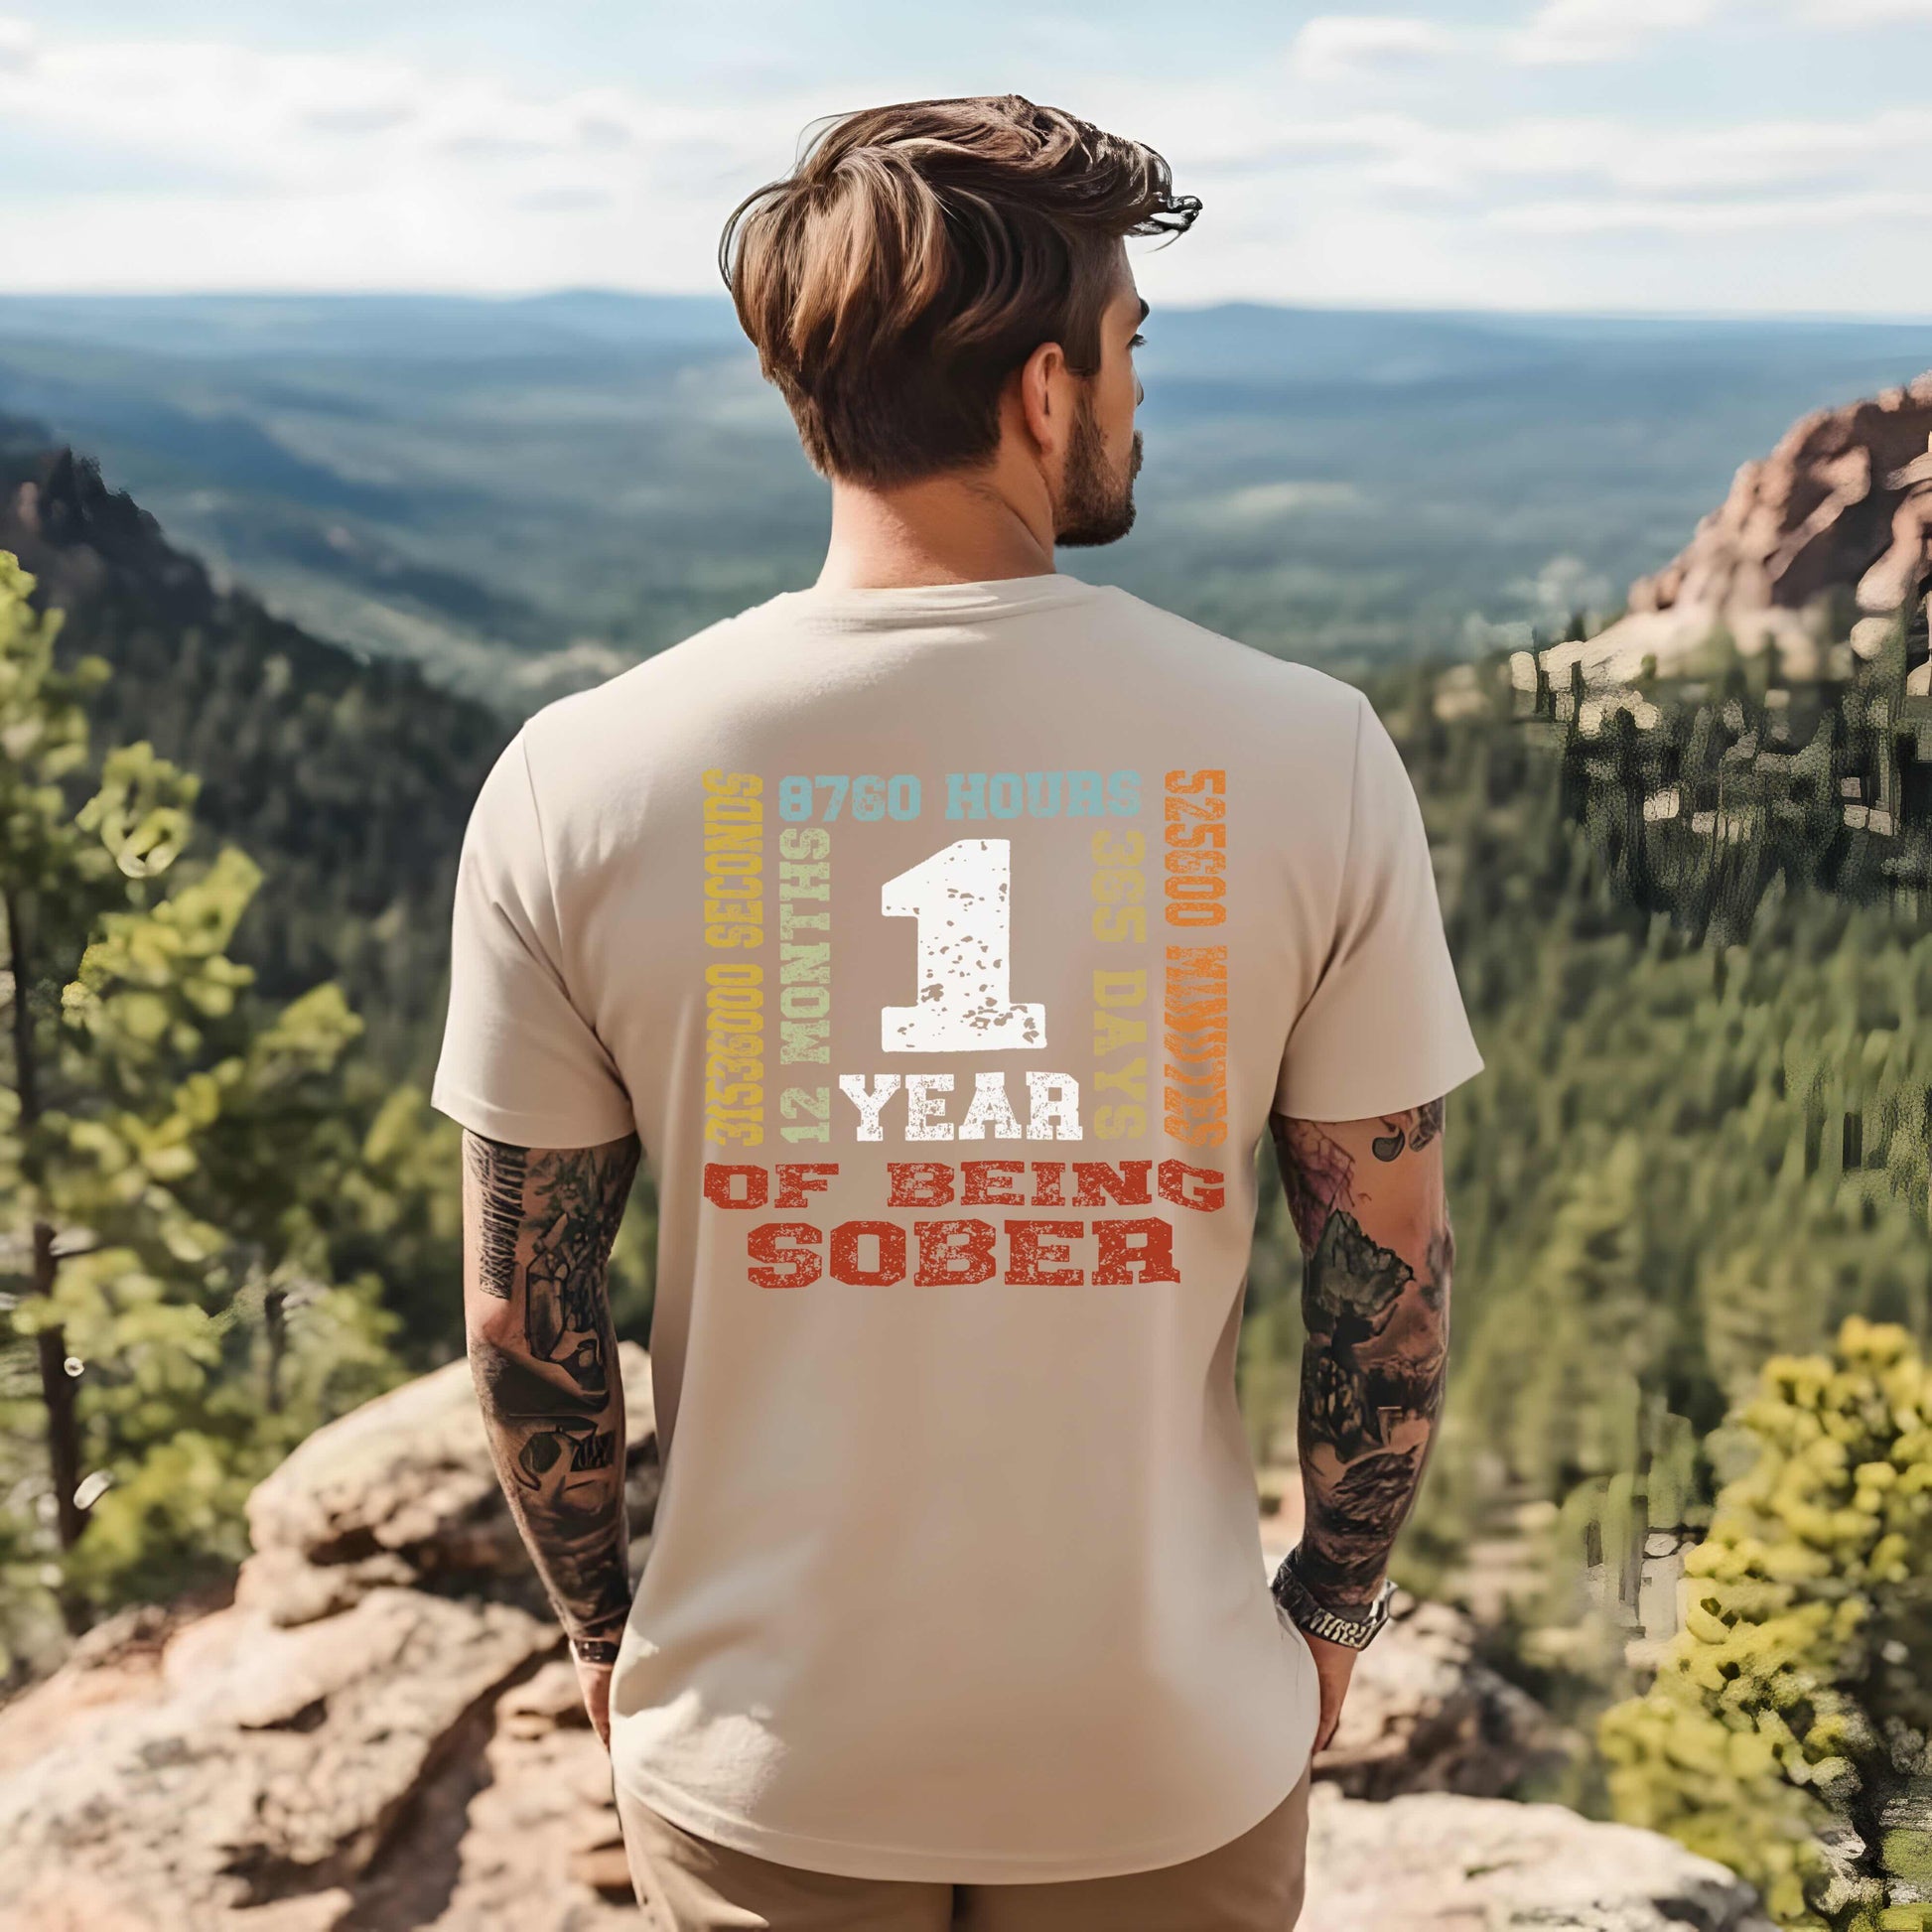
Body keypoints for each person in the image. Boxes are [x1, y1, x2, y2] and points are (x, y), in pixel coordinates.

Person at [434, 93, 1483, 1932]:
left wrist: (606, 1632)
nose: (1136, 391)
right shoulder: (1306, 755)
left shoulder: (575, 778)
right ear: (1045, 389)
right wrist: (1326, 1613)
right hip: (1155, 1751)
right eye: (1130, 343)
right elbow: (1383, 1258)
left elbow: (530, 1306)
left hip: (767, 1747)